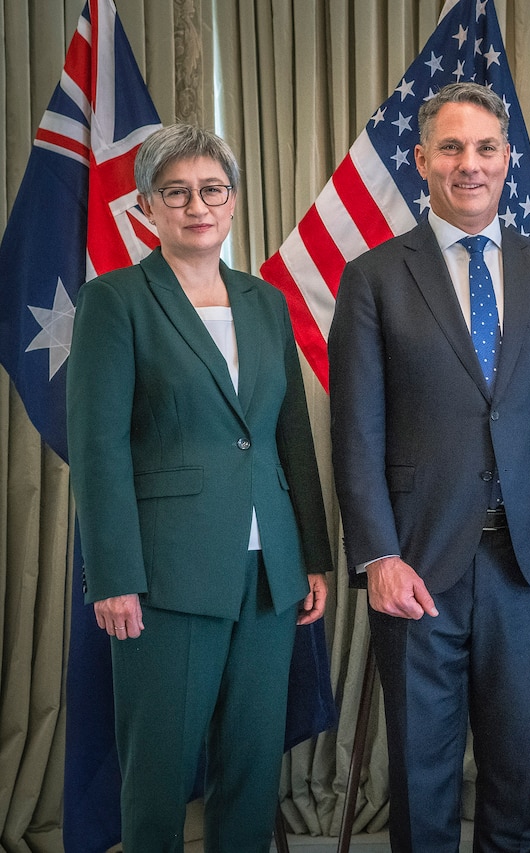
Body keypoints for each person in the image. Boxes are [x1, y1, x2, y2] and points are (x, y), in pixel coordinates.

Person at [328, 81, 530, 852]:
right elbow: (355, 433)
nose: (470, 164)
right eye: (451, 148)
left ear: (508, 158)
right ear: (422, 160)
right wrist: (379, 554)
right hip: (418, 563)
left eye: (486, 147)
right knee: (421, 781)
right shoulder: (374, 277)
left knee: (515, 779)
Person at [66, 124, 331, 852]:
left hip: (268, 572)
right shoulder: (114, 301)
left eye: (211, 190)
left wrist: (312, 554)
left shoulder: (265, 301)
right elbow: (98, 447)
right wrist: (113, 575)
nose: (196, 206)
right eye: (175, 193)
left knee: (250, 769)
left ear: (234, 202)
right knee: (156, 774)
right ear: (147, 207)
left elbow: (288, 437)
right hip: (165, 575)